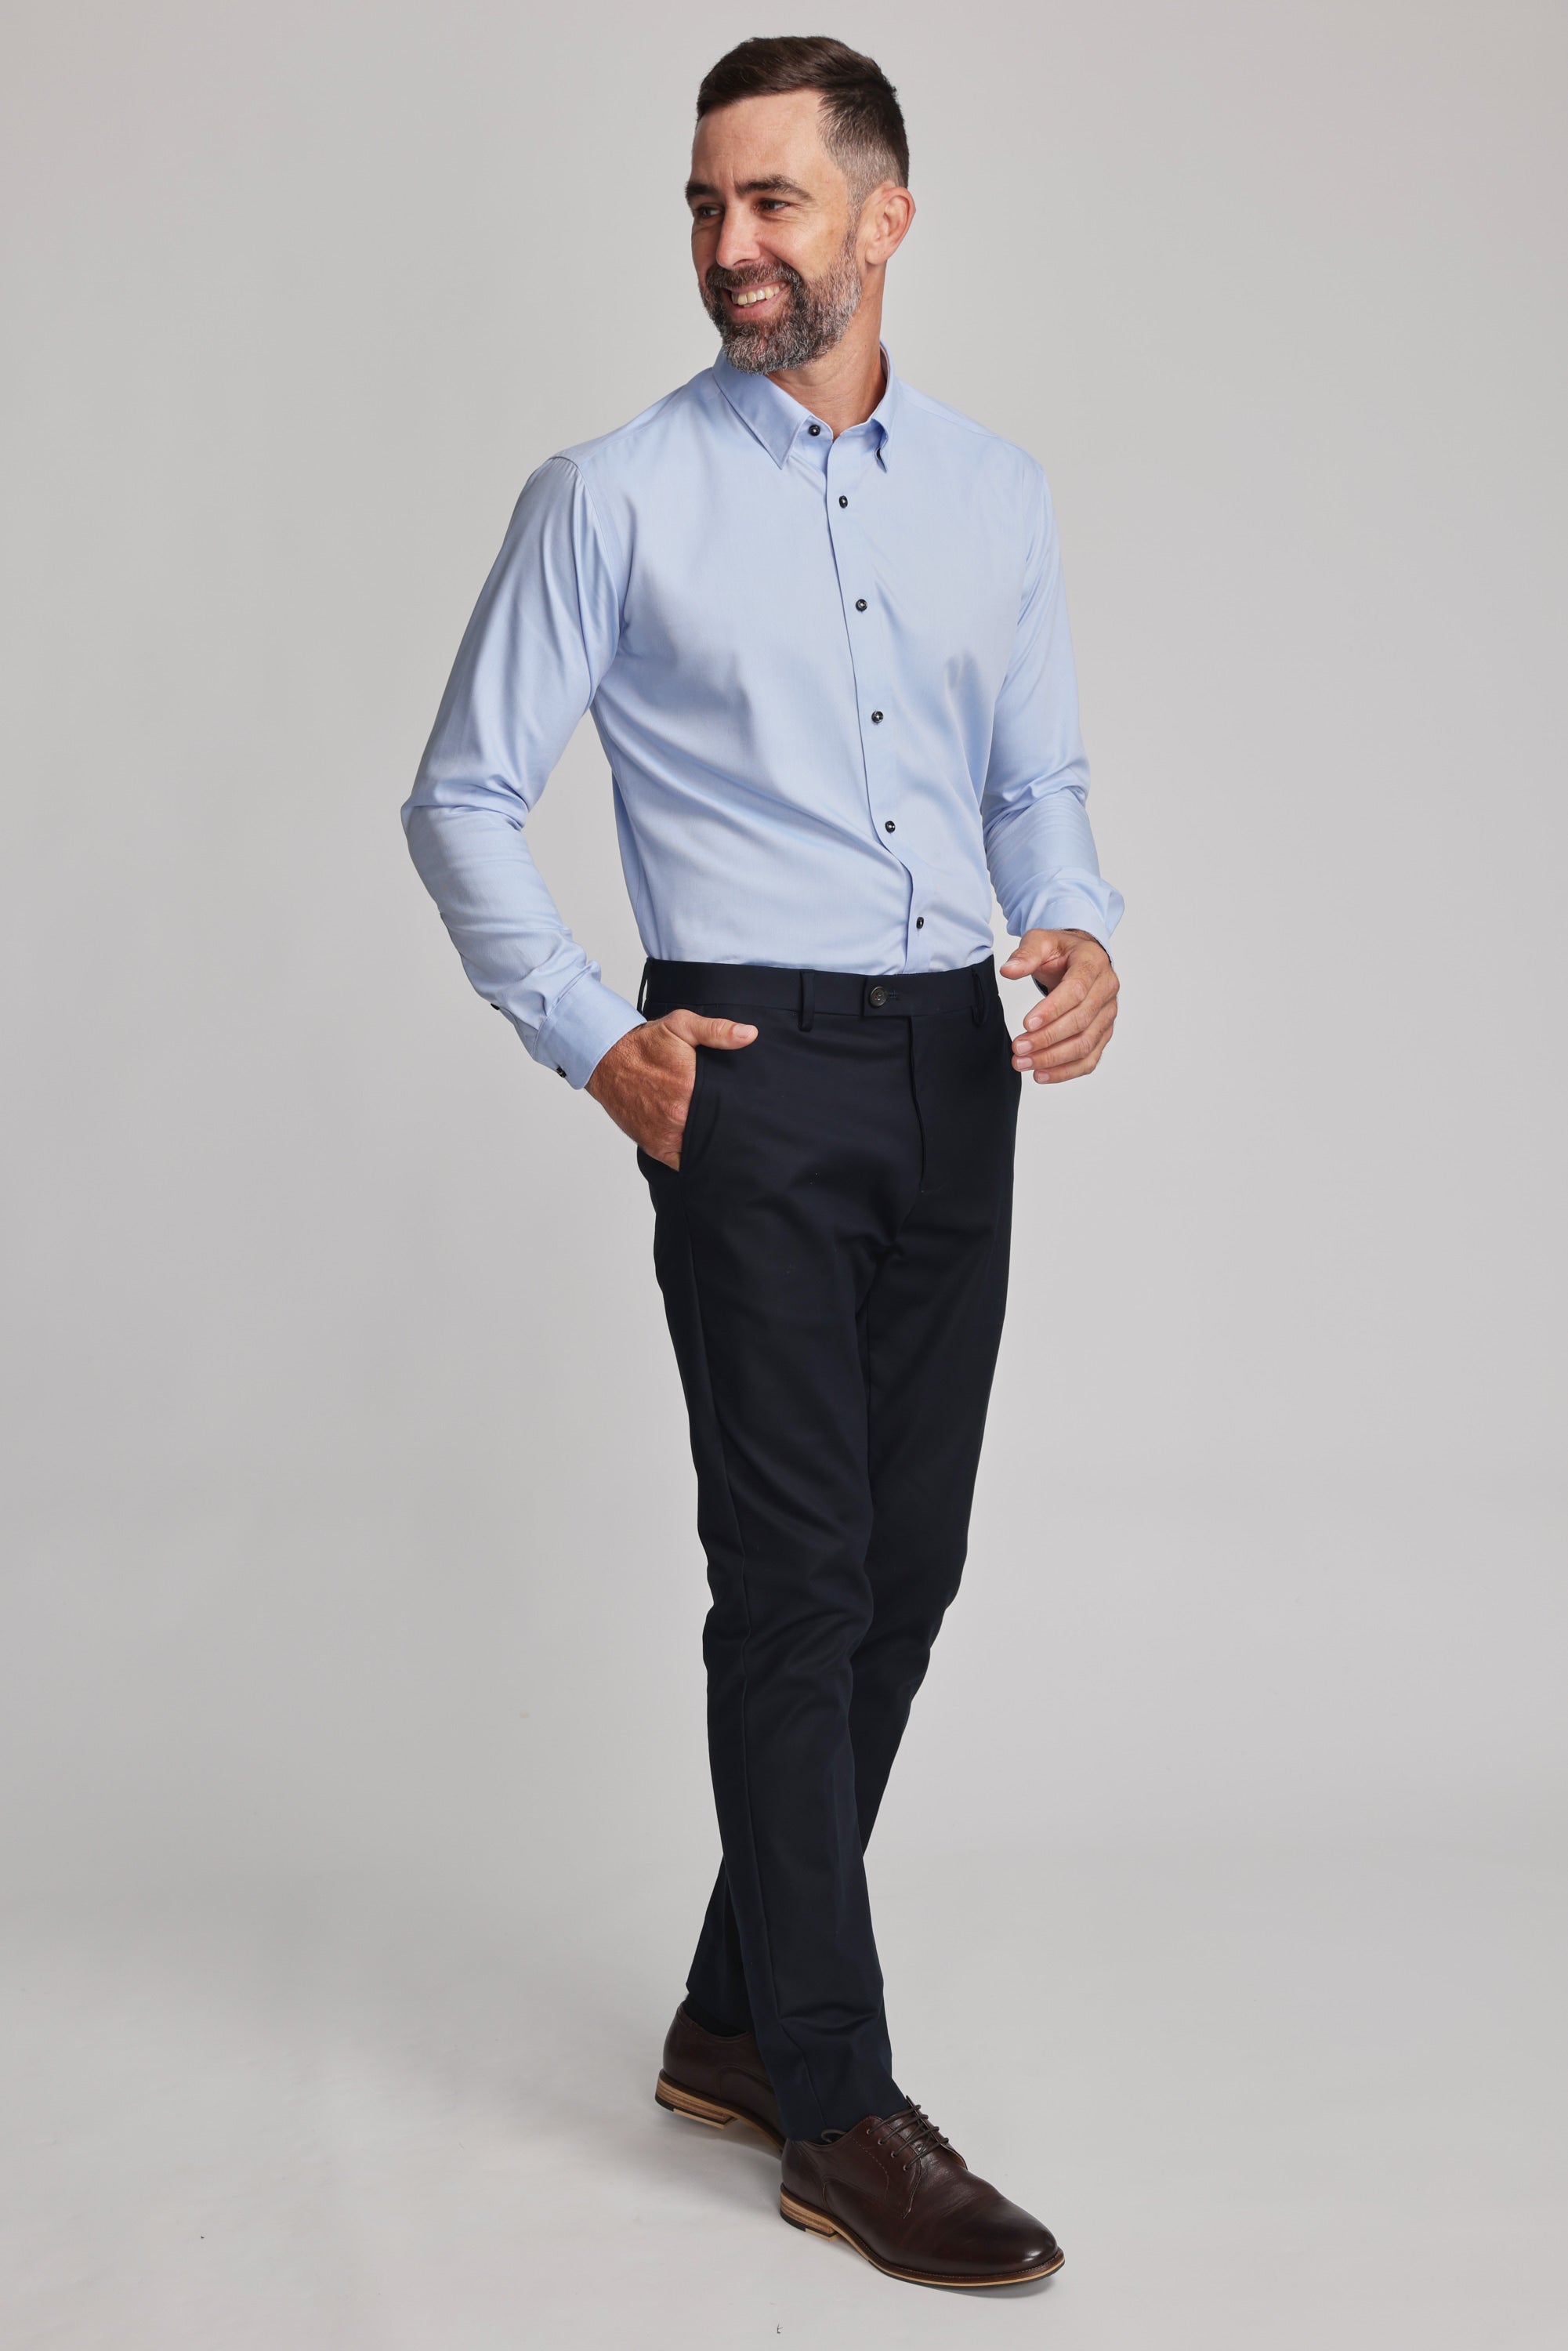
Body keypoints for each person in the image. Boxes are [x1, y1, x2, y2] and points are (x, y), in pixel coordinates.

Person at [402, 34, 1121, 2291]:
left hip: (952, 1066)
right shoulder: (608, 495)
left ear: (883, 216)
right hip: (747, 1074)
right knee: (796, 1584)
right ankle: (835, 2094)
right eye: (706, 206)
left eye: (775, 205)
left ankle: (730, 2012)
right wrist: (596, 1039)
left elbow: (1037, 769)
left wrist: (1079, 914)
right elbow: (457, 791)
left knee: (902, 1573)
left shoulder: (995, 493)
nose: (731, 248)